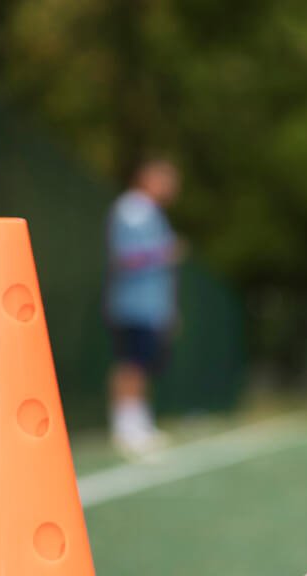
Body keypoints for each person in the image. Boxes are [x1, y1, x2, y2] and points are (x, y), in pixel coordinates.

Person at [105, 156, 182, 458]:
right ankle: (124, 425)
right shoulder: (132, 210)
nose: (172, 187)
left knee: (143, 364)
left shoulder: (153, 214)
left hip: (152, 307)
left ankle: (138, 422)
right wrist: (162, 253)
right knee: (130, 363)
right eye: (166, 179)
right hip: (131, 305)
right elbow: (126, 258)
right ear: (148, 178)